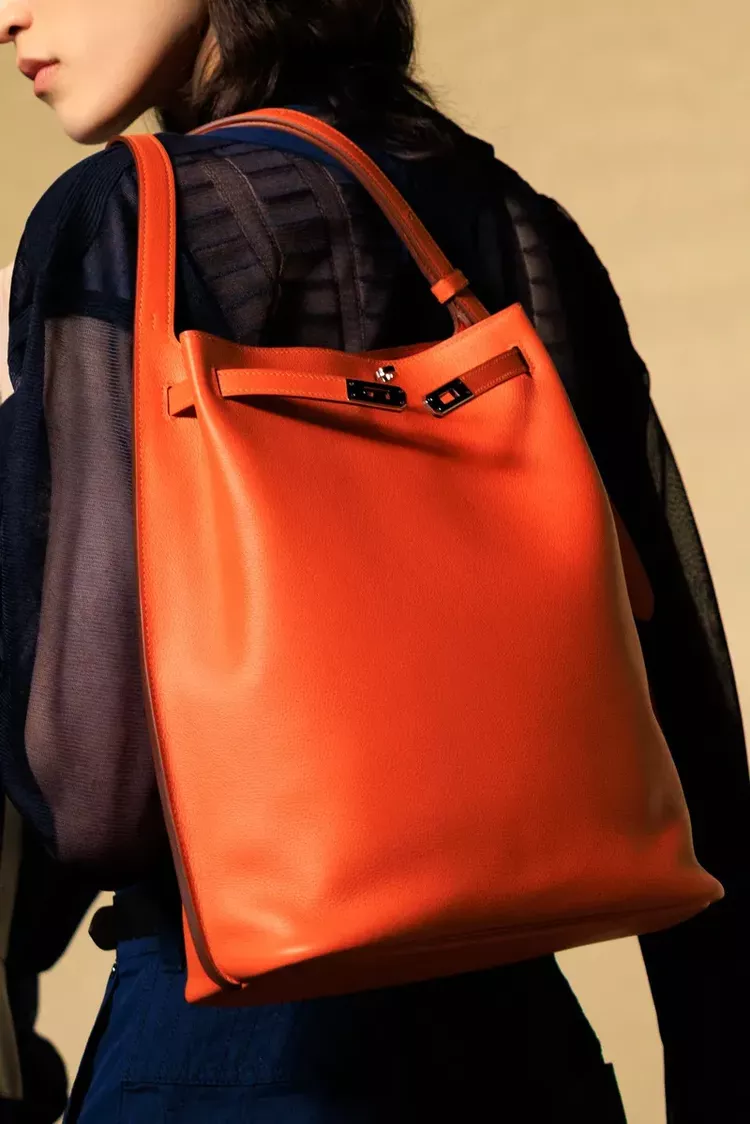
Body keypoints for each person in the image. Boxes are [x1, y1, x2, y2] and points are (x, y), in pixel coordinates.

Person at [0, 1, 748, 1121]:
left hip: (231, 1044)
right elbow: (687, 721)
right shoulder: (511, 218)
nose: (10, 13)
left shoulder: (124, 218)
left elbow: (95, 799)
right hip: (522, 1051)